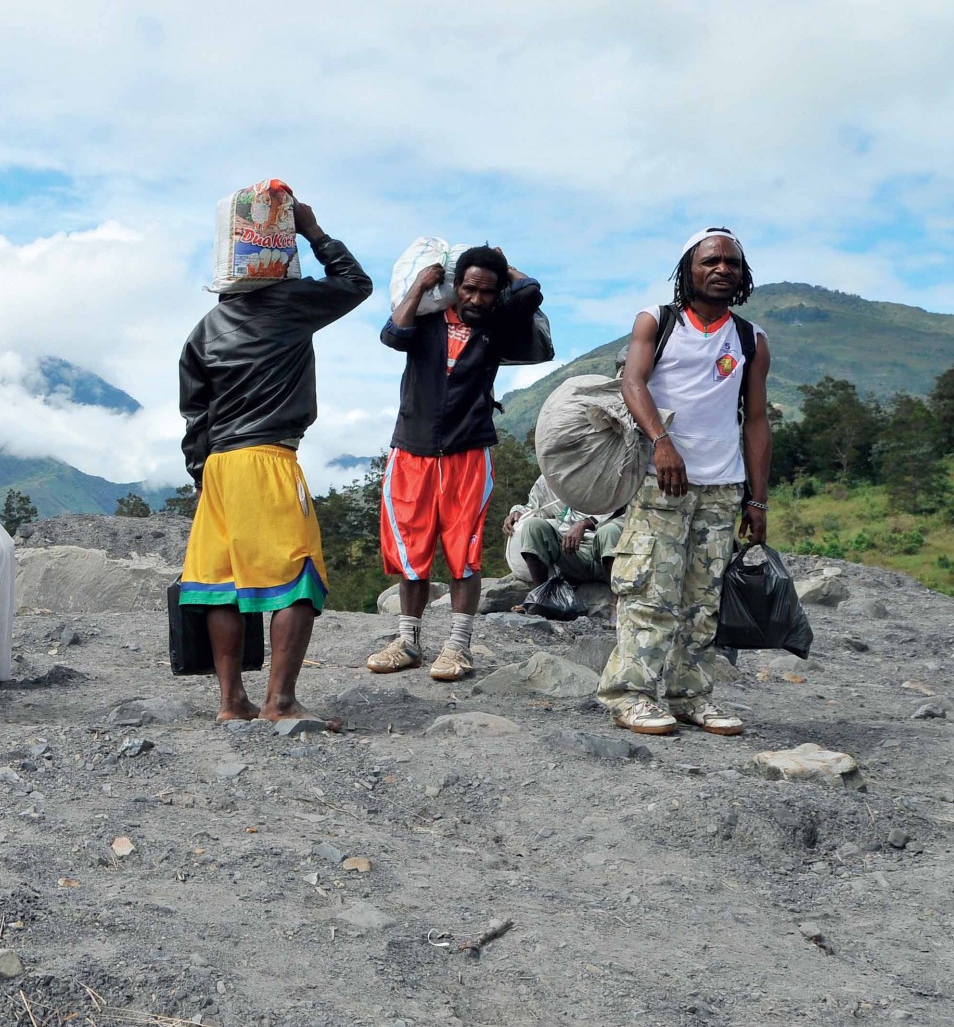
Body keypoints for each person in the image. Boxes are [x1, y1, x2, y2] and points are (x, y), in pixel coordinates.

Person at [177, 183, 371, 721]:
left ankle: (230, 702)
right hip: (270, 458)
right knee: (298, 579)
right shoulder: (291, 304)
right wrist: (313, 230)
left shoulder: (204, 330)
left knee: (222, 584)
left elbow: (195, 413)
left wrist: (201, 475)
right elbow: (356, 284)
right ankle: (280, 702)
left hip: (218, 466)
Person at [597, 228, 772, 737]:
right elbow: (632, 382)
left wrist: (756, 498)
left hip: (722, 487)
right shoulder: (659, 320)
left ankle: (686, 694)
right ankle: (629, 695)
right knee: (650, 588)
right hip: (662, 481)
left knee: (702, 599)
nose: (722, 270)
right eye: (711, 261)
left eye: (732, 264)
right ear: (687, 269)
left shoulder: (750, 339)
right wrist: (661, 441)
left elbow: (756, 420)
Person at [369, 246, 543, 681]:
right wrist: (421, 285)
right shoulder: (426, 321)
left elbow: (531, 291)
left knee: (463, 552)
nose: (477, 299)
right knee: (412, 551)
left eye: (488, 291)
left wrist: (505, 267)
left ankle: (457, 647)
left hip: (468, 452)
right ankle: (407, 641)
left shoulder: (497, 327)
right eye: (468, 288)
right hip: (411, 450)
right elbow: (391, 336)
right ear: (454, 287)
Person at [505, 475, 624, 588]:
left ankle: (617, 598)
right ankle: (541, 597)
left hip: (603, 553)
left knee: (610, 531)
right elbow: (535, 507)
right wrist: (518, 512)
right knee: (533, 525)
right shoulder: (550, 477)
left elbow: (628, 516)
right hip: (570, 553)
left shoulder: (613, 474)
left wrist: (585, 523)